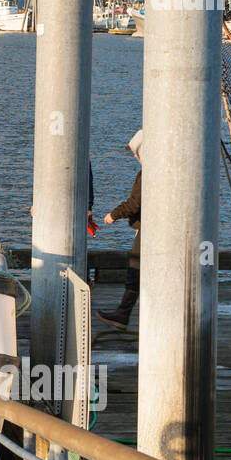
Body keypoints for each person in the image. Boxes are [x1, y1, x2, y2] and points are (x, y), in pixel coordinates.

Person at [96, 129, 142, 329]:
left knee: (135, 269)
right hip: (155, 228)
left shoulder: (146, 174)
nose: (134, 155)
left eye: (136, 151)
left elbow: (135, 204)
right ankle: (124, 313)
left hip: (149, 230)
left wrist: (113, 215)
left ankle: (122, 315)